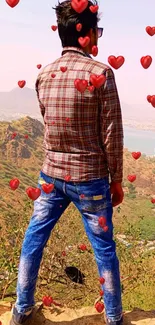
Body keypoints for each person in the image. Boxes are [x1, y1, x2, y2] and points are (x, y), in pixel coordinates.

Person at [10, 0, 124, 324]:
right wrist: (116, 179)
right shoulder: (101, 73)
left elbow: (50, 124)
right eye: (96, 30)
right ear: (86, 35)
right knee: (104, 249)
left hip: (50, 177)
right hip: (90, 180)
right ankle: (114, 317)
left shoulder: (43, 76)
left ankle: (21, 309)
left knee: (34, 239)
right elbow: (112, 135)